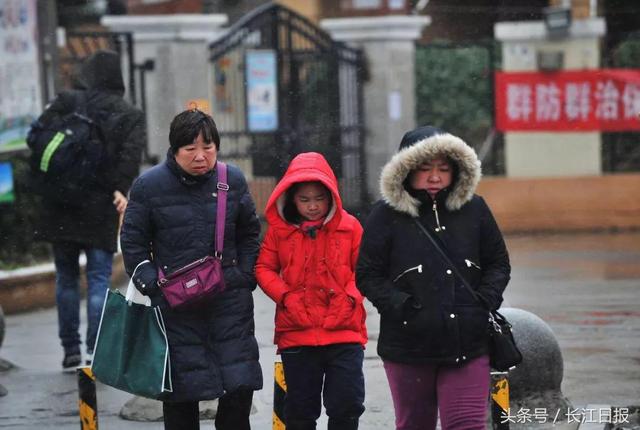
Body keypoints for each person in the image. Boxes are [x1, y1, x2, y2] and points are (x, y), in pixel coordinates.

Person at [356, 126, 511, 430]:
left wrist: (483, 302)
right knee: (415, 424)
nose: (435, 177)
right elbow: (368, 274)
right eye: (425, 169)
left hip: (469, 342)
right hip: (408, 347)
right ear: (406, 170)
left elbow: (498, 263)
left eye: (443, 168)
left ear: (457, 170)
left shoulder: (475, 209)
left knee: (467, 424)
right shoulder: (385, 215)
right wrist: (401, 306)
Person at [120, 109, 262, 430]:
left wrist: (243, 276)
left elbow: (250, 234)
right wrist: (151, 284)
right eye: (191, 149)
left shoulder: (232, 180)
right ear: (175, 149)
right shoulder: (148, 186)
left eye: (208, 148)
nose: (201, 156)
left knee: (239, 391)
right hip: (176, 309)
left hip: (229, 304)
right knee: (182, 401)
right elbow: (133, 242)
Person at [33, 50, 146, 370]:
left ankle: (69, 349)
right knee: (98, 278)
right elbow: (129, 158)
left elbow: (38, 138)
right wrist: (118, 189)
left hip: (60, 202)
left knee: (66, 278)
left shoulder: (68, 101)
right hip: (100, 204)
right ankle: (94, 349)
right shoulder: (128, 114)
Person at [255, 152, 367, 430]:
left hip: (345, 331)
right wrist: (286, 296)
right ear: (291, 197)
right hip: (297, 333)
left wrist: (350, 297)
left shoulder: (350, 227)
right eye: (304, 200)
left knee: (347, 405)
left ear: (331, 195)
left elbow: (365, 269)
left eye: (319, 198)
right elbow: (264, 268)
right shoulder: (279, 232)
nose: (313, 206)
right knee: (300, 412)